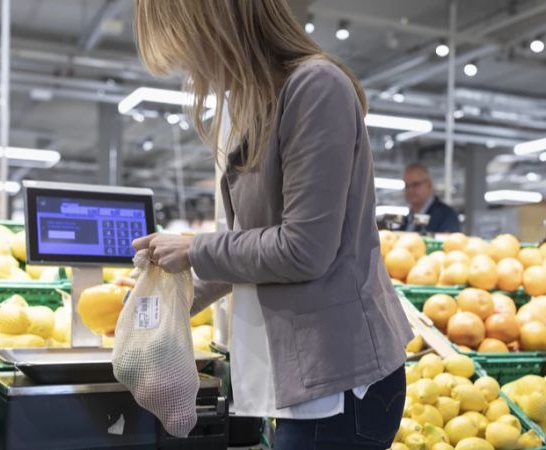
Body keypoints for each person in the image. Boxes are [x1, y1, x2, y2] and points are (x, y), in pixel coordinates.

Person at [130, 1, 413, 449]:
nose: (192, 70)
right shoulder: (262, 103)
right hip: (301, 378)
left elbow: (303, 249)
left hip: (339, 382)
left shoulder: (316, 88)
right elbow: (255, 251)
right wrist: (165, 303)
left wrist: (193, 249)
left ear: (217, 27)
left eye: (188, 49)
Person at [402, 163, 461, 233]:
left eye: (415, 184)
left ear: (429, 185)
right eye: (407, 185)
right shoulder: (406, 219)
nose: (410, 190)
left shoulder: (446, 216)